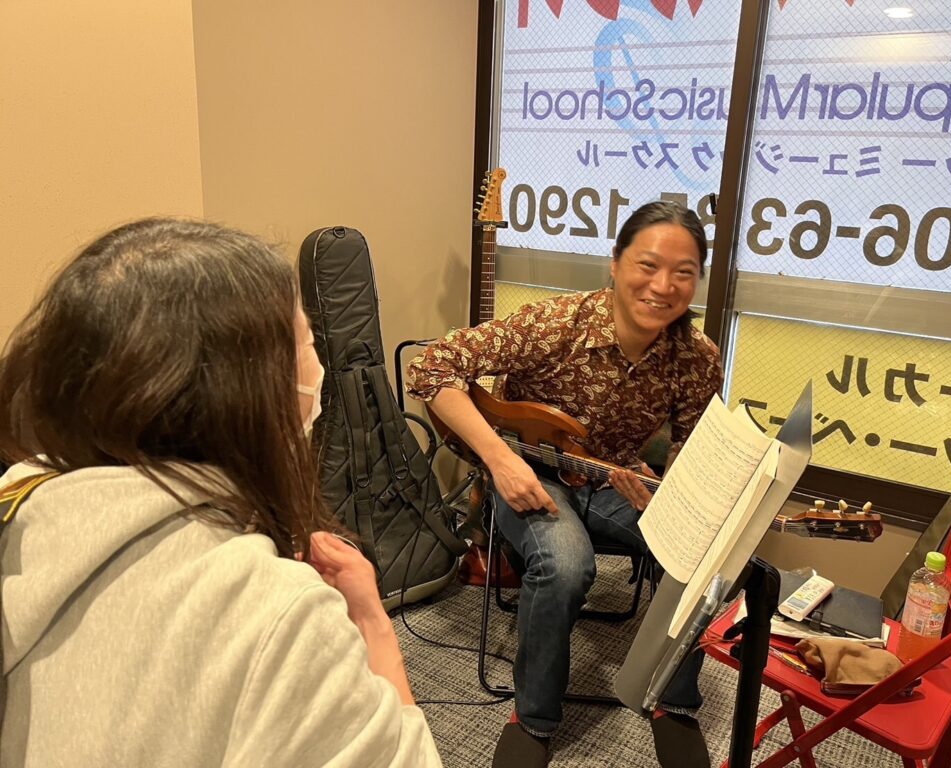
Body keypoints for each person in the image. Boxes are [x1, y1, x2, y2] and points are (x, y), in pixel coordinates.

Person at [0, 218, 442, 767]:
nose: (319, 368)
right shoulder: (284, 618)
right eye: (308, 343)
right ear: (249, 394)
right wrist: (373, 625)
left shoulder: (18, 500)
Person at [406, 200, 723, 768]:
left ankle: (673, 701)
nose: (663, 286)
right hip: (529, 475)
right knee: (566, 564)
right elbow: (432, 366)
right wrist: (499, 459)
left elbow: (692, 451)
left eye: (684, 272)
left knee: (701, 549)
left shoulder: (696, 359)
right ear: (616, 262)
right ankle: (533, 718)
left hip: (611, 481)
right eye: (648, 265)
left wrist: (666, 483)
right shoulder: (555, 324)